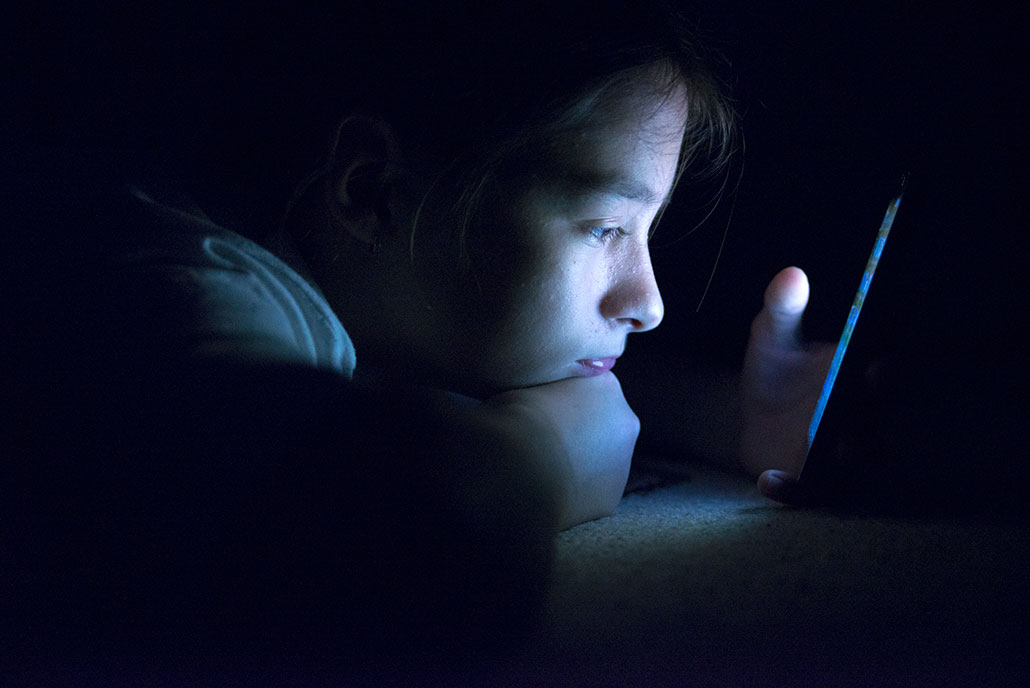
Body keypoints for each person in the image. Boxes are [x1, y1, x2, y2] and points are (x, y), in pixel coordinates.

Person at [4, 0, 837, 674]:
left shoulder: (369, 292)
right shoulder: (188, 288)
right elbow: (415, 546)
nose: (648, 301)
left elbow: (452, 373)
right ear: (374, 191)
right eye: (602, 227)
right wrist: (537, 457)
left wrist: (733, 418)